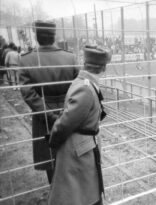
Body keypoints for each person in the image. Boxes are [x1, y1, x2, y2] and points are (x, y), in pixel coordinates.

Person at [47, 45, 110, 205]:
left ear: (85, 63)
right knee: (84, 196)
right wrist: (53, 142)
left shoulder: (83, 82)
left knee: (84, 195)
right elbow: (65, 123)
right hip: (80, 153)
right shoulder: (85, 89)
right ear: (103, 67)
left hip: (82, 149)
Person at [19, 20, 79, 184]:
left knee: (50, 159)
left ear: (36, 36)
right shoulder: (70, 57)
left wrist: (50, 115)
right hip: (69, 112)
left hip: (43, 116)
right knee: (72, 154)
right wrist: (69, 111)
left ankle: (57, 193)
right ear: (54, 36)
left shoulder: (26, 60)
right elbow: (79, 88)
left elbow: (28, 93)